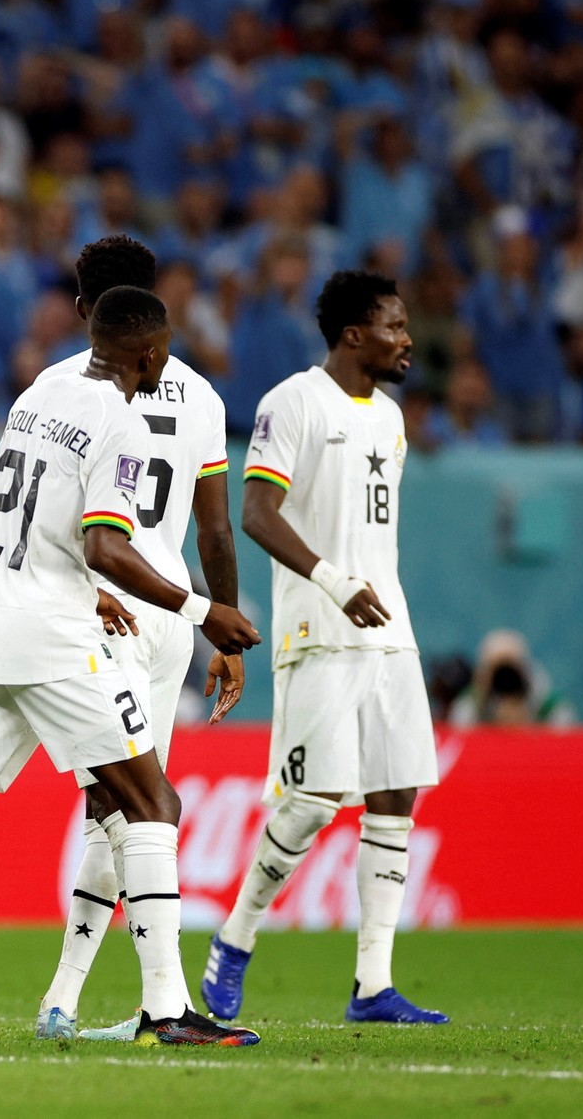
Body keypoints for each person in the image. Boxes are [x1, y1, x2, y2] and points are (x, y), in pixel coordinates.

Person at [0, 285, 262, 1048]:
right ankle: (166, 1011)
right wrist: (205, 613)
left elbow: (16, 511)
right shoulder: (121, 421)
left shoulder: (38, 394)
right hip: (55, 637)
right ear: (147, 353)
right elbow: (107, 546)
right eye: (161, 347)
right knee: (151, 803)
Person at [201, 270, 449, 1026]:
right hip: (318, 630)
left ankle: (371, 984)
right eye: (393, 325)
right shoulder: (292, 403)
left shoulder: (392, 417)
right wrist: (334, 582)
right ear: (352, 334)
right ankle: (232, 941)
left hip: (388, 632)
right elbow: (255, 511)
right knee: (310, 803)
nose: (406, 340)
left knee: (395, 792)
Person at [31, 236, 247, 1042]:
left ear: (86, 309)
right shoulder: (198, 393)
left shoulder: (59, 384)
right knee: (127, 807)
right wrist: (221, 628)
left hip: (102, 607)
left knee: (122, 807)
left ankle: (123, 1001)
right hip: (173, 614)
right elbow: (216, 529)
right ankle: (84, 998)